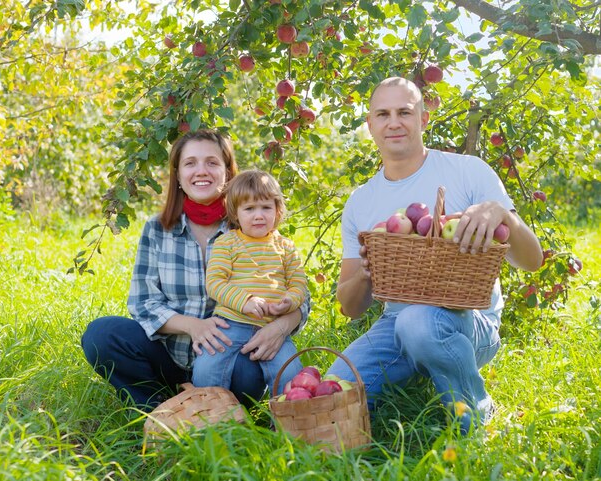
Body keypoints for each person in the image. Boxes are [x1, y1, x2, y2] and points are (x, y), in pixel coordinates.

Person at [326, 77, 543, 433]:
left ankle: (474, 412)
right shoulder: (360, 202)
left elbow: (532, 261)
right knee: (335, 386)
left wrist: (502, 214)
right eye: (382, 114)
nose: (393, 122)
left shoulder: (467, 171)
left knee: (419, 323)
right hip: (394, 325)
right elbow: (350, 308)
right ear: (370, 125)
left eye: (404, 112)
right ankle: (420, 371)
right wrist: (369, 270)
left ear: (424, 119)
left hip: (470, 321)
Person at [81, 129, 309, 412]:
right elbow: (143, 303)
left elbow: (295, 291)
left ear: (227, 171)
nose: (202, 171)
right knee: (102, 334)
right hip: (169, 356)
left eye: (212, 162)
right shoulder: (157, 229)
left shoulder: (252, 221)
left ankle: (226, 416)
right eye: (190, 163)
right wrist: (194, 326)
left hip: (232, 352)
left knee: (247, 371)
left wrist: (281, 325)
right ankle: (162, 412)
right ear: (177, 175)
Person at [193, 170, 308, 395]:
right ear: (236, 213)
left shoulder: (285, 247)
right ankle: (214, 420)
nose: (258, 215)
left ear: (277, 210)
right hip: (230, 323)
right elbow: (215, 282)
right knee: (205, 371)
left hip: (271, 325)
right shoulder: (227, 243)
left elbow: (298, 284)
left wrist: (289, 301)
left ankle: (288, 424)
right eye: (249, 209)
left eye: (266, 207)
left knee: (290, 375)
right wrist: (245, 301)